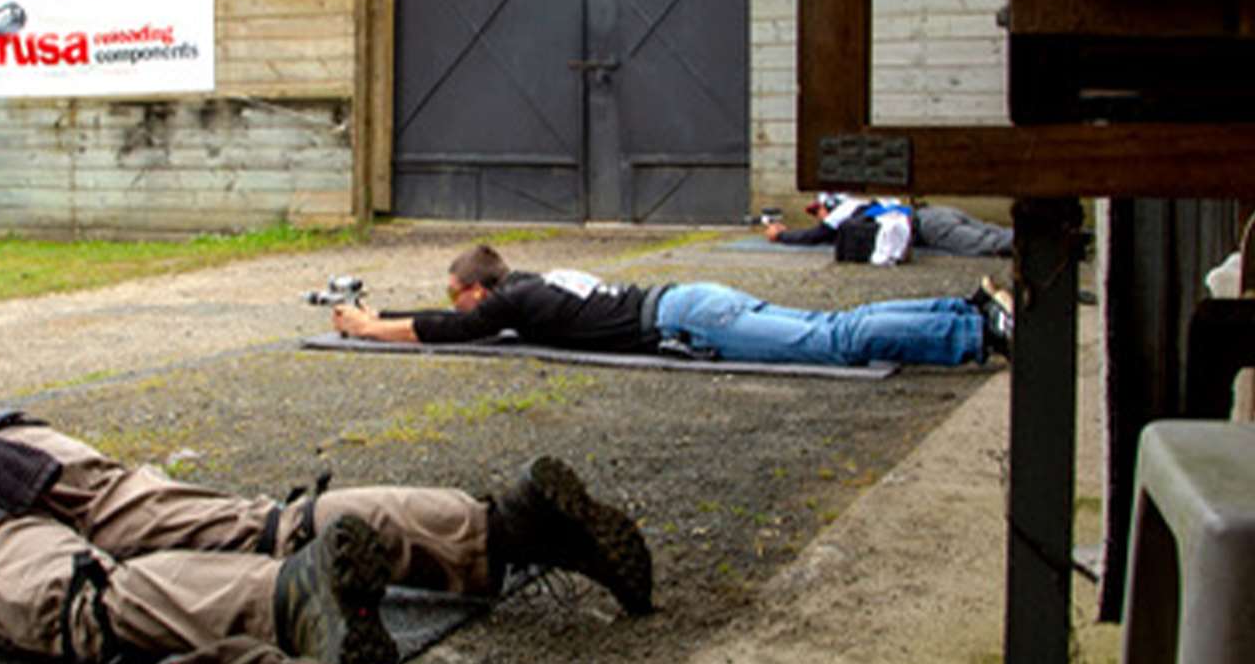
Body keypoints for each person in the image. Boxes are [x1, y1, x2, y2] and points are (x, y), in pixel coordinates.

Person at [0, 342, 654, 664]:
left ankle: (293, 607)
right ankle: (507, 523)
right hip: (14, 442)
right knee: (254, 516)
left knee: (80, 597)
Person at [331, 243, 1015, 368]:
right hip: (691, 301)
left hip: (691, 319)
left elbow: (451, 330)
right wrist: (379, 311)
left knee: (832, 340)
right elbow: (456, 314)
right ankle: (961, 312)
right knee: (826, 327)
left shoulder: (516, 299)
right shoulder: (533, 285)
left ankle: (972, 334)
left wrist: (367, 328)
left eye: (461, 293)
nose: (462, 304)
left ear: (481, 289)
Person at [762, 194, 1014, 259]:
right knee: (993, 232)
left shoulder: (845, 210)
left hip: (927, 225)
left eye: (818, 211)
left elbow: (816, 235)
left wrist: (781, 235)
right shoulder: (862, 207)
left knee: (986, 245)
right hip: (933, 214)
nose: (818, 216)